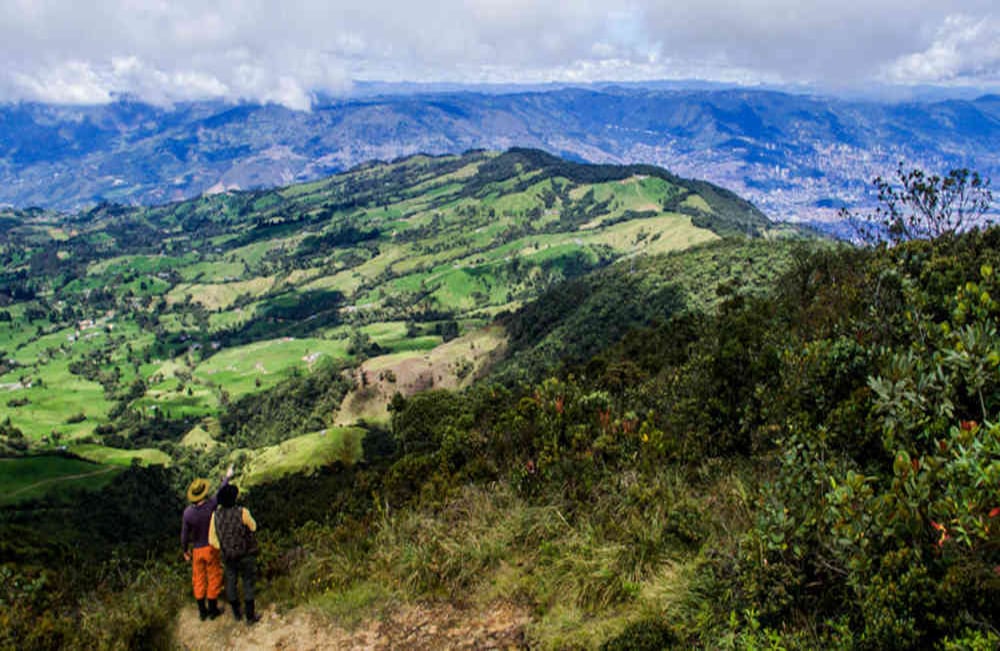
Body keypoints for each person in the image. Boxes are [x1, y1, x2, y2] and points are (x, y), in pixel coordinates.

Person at [181, 464, 233, 621]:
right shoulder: (211, 505)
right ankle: (213, 610)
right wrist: (228, 476)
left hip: (196, 550)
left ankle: (202, 611)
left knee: (199, 579)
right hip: (210, 547)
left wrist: (185, 550)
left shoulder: (188, 513)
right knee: (213, 576)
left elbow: (184, 535)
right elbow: (221, 491)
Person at [209, 483, 261, 624]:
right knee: (248, 582)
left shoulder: (215, 516)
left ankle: (237, 614)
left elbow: (212, 540)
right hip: (245, 553)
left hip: (228, 556)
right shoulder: (242, 512)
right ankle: (250, 617)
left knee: (231, 582)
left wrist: (225, 546)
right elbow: (253, 526)